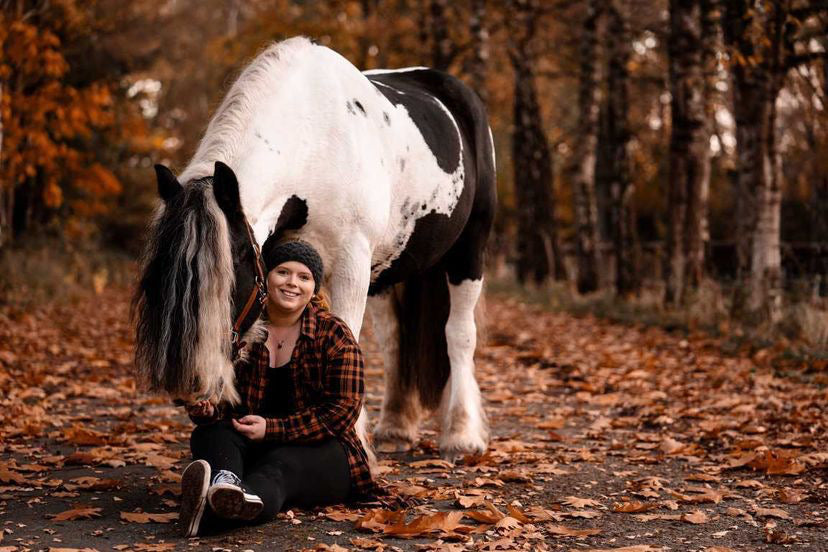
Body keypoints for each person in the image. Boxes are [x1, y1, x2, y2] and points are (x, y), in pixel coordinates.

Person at [178, 240, 378, 537]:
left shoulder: (334, 334)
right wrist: (207, 408)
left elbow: (341, 413)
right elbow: (226, 402)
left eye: (304, 277)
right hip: (252, 442)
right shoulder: (242, 331)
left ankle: (215, 511)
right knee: (210, 433)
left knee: (278, 467)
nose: (292, 283)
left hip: (323, 451)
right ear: (266, 278)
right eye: (283, 272)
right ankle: (227, 483)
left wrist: (273, 429)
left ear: (314, 287)